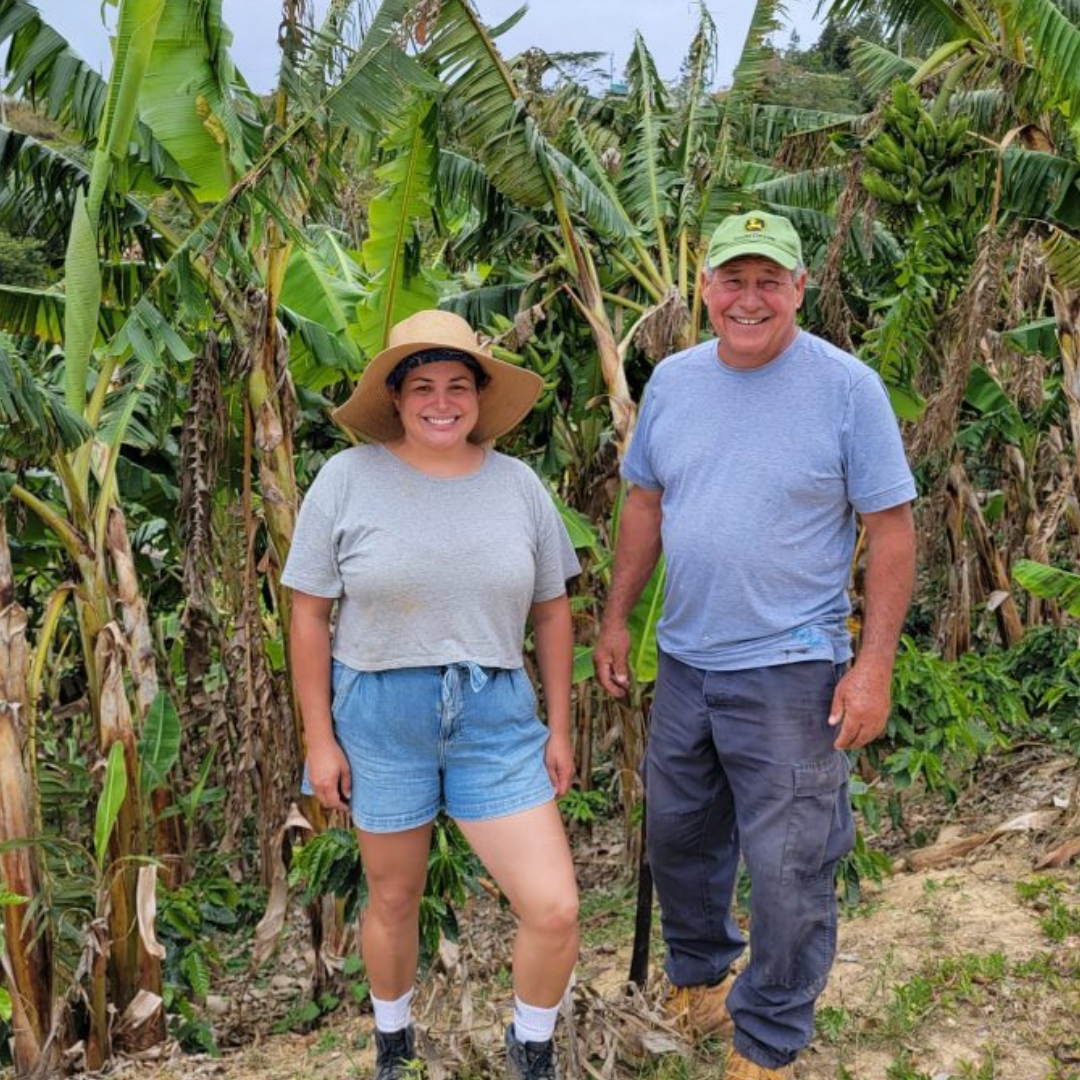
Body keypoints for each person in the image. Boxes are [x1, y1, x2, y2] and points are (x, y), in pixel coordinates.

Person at [595, 211, 916, 1080]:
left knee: (789, 866)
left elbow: (891, 531)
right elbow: (645, 504)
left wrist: (873, 667)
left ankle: (770, 1038)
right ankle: (703, 979)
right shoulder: (674, 382)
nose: (749, 299)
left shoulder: (846, 390)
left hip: (792, 668)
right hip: (685, 662)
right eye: (732, 280)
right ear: (704, 290)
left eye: (768, 281)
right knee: (679, 838)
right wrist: (617, 618)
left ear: (799, 289)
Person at [282, 310, 581, 1080]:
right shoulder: (346, 480)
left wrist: (559, 726)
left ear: (479, 396)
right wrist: (319, 739)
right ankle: (394, 1046)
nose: (441, 402)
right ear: (395, 396)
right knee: (394, 896)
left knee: (553, 906)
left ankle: (532, 1049)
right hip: (380, 716)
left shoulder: (519, 486)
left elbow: (552, 611)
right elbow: (309, 615)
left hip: (496, 715)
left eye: (457, 386)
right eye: (422, 387)